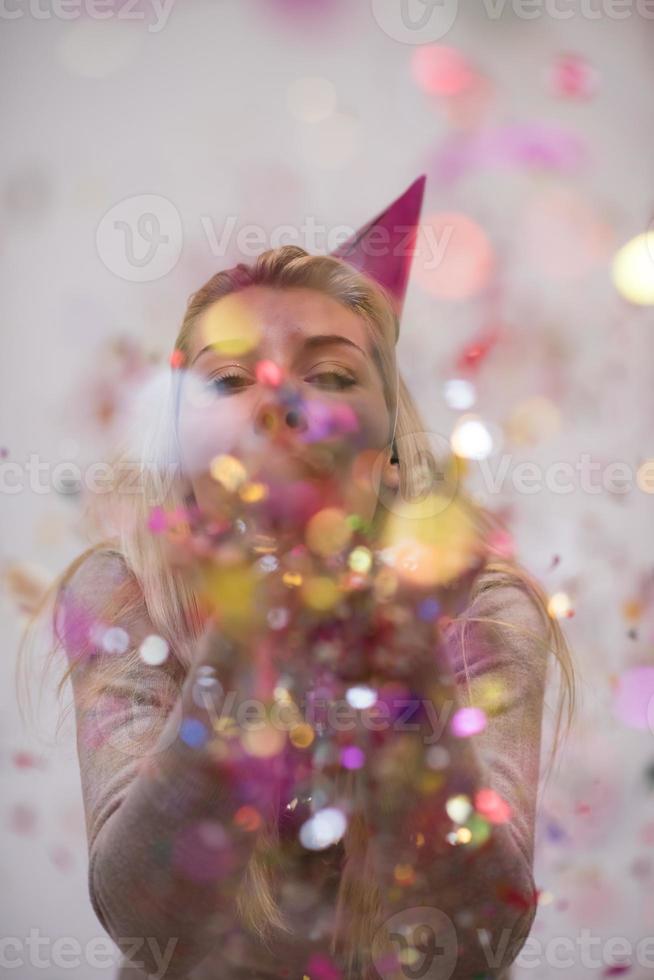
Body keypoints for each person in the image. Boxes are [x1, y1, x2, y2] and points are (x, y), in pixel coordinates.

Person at [20, 178, 575, 980]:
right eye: (228, 380)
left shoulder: (481, 610)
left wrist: (403, 667)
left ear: (389, 449)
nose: (281, 403)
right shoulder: (119, 594)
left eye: (332, 375)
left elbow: (481, 931)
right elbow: (145, 918)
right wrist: (244, 640)